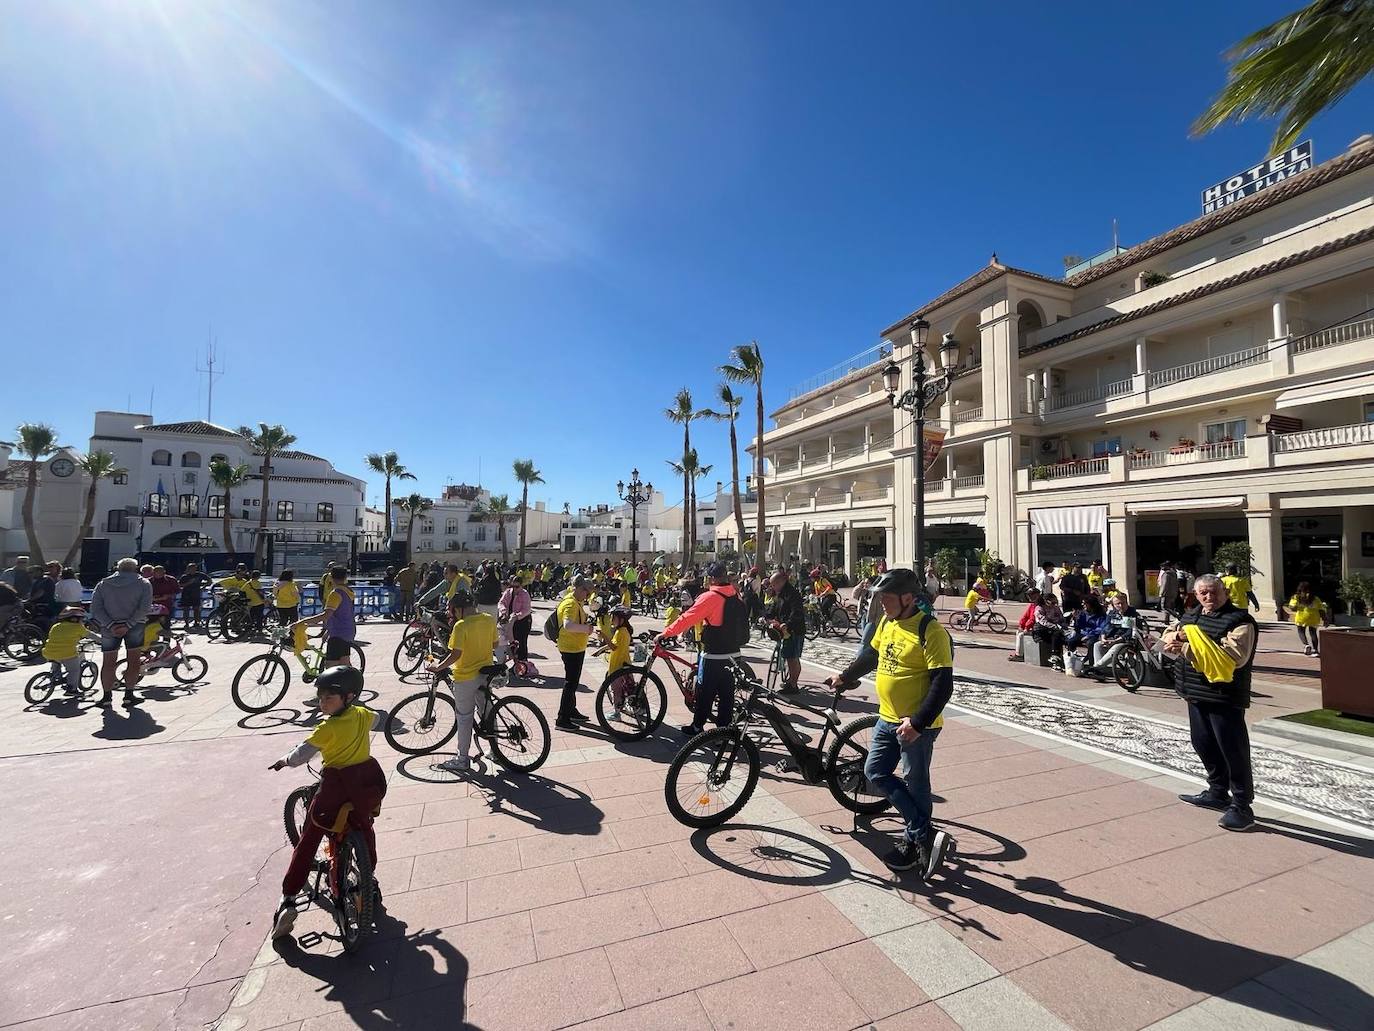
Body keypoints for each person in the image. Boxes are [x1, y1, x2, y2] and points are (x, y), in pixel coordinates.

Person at [826, 568, 954, 878]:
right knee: (874, 771)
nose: (881, 602)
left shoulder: (931, 631)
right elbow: (871, 656)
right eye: (880, 596)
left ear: (908, 598)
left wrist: (919, 723)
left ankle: (914, 841)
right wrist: (845, 676)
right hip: (886, 717)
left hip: (916, 725)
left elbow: (943, 684)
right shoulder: (888, 621)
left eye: (887, 597)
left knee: (916, 782)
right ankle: (923, 830)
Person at [268, 665, 386, 939]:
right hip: (364, 785)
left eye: (328, 698)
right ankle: (369, 880)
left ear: (348, 697)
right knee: (364, 828)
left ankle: (288, 899)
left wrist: (284, 761)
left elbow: (301, 756)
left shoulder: (327, 727)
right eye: (320, 698)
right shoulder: (361, 714)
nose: (322, 703)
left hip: (335, 787)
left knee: (310, 838)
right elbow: (377, 719)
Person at [1162, 573, 1259, 831]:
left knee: (1233, 750)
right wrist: (1179, 639)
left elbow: (1232, 656)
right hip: (1194, 692)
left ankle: (1242, 806)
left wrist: (1184, 644)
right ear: (1196, 594)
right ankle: (1217, 791)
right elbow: (1169, 635)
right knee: (1203, 743)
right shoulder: (1191, 615)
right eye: (1203, 593)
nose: (1209, 597)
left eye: (1214, 592)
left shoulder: (1240, 621)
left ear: (1225, 592)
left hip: (1224, 696)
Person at [661, 561, 748, 736]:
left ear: (712, 578)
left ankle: (697, 727)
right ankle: (722, 733)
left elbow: (688, 618)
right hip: (734, 654)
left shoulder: (710, 597)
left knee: (704, 694)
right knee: (726, 696)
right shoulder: (735, 595)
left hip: (713, 655)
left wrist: (666, 633)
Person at [426, 590, 498, 773]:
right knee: (488, 711)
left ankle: (462, 758)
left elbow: (455, 654)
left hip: (466, 676)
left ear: (458, 609)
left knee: (464, 717)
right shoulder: (488, 619)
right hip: (485, 672)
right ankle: (495, 751)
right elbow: (495, 644)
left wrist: (438, 667)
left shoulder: (461, 626)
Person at [89, 557, 153, 708]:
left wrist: (110, 625)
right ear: (135, 568)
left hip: (109, 626)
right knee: (133, 661)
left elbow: (96, 609)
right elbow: (144, 608)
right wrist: (128, 624)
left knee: (108, 662)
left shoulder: (103, 584)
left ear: (118, 568)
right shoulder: (143, 583)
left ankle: (106, 697)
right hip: (135, 625)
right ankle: (129, 695)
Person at [291, 566, 356, 670]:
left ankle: (337, 685)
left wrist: (302, 621)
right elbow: (343, 614)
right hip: (347, 631)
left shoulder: (335, 594)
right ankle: (354, 683)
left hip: (338, 634)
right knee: (344, 663)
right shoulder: (349, 592)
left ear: (331, 578)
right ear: (345, 577)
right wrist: (328, 631)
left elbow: (326, 615)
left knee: (331, 667)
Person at [554, 575, 596, 730]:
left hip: (575, 647)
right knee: (570, 684)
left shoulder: (575, 601)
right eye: (587, 592)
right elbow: (568, 625)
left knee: (573, 682)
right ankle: (562, 719)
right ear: (580, 589)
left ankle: (571, 711)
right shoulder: (571, 604)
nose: (588, 596)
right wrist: (587, 629)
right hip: (571, 648)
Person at [764, 569, 807, 694]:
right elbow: (774, 607)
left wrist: (787, 624)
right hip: (783, 630)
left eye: (774, 584)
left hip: (794, 630)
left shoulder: (792, 594)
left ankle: (793, 685)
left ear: (782, 581)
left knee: (793, 658)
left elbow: (796, 612)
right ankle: (790, 681)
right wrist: (766, 617)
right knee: (788, 656)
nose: (772, 587)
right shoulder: (779, 594)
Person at [42, 606, 96, 697]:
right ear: (75, 619)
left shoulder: (56, 626)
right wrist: (103, 640)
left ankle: (55, 677)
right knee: (74, 670)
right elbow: (91, 635)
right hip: (67, 654)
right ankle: (72, 689)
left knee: (56, 661)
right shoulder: (78, 627)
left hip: (48, 652)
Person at [594, 606, 634, 718]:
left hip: (617, 665)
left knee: (616, 690)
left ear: (621, 619)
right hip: (625, 663)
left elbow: (613, 646)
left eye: (614, 618)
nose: (611, 620)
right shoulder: (624, 630)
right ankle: (631, 706)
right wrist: (600, 650)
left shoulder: (620, 632)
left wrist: (603, 635)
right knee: (628, 687)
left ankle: (617, 713)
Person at [1283, 581, 1330, 657]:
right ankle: (1315, 651)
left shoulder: (1296, 597)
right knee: (1313, 633)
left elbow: (1292, 607)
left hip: (1301, 617)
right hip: (1314, 617)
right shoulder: (1315, 598)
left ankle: (1306, 645)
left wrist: (1297, 607)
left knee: (1301, 631)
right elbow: (1321, 609)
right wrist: (1325, 619)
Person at [498, 573, 533, 670]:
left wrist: (517, 616)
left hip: (523, 621)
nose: (514, 588)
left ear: (521, 586)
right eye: (512, 586)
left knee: (521, 642)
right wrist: (504, 611)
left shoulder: (525, 594)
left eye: (517, 586)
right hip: (511, 620)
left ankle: (523, 664)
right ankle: (515, 663)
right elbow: (501, 602)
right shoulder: (508, 592)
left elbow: (527, 609)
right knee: (512, 642)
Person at [1033, 593, 1068, 670]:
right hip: (1042, 630)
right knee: (1056, 634)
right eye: (1052, 603)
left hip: (1056, 628)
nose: (1054, 605)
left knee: (1063, 635)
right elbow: (1043, 622)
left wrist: (1063, 625)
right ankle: (1054, 656)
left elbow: (1061, 618)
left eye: (1056, 603)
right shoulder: (1039, 609)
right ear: (1046, 601)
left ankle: (1063, 656)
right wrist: (1055, 626)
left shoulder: (1056, 608)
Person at [1007, 587, 1042, 661]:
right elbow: (1025, 616)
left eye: (1031, 595)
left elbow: (1033, 619)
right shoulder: (1032, 605)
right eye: (1028, 595)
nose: (1029, 596)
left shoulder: (1039, 606)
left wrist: (1026, 628)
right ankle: (1019, 652)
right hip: (1031, 627)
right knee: (1018, 632)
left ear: (1037, 595)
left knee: (1021, 635)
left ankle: (1019, 655)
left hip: (1038, 628)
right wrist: (1021, 626)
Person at [178, 563, 211, 630]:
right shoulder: (184, 576)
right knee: (186, 610)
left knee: (196, 609)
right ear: (188, 569)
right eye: (191, 568)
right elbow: (180, 585)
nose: (193, 570)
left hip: (196, 594)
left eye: (194, 568)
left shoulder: (200, 575)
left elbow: (209, 580)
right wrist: (188, 583)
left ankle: (196, 623)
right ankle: (186, 623)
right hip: (186, 594)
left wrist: (203, 587)